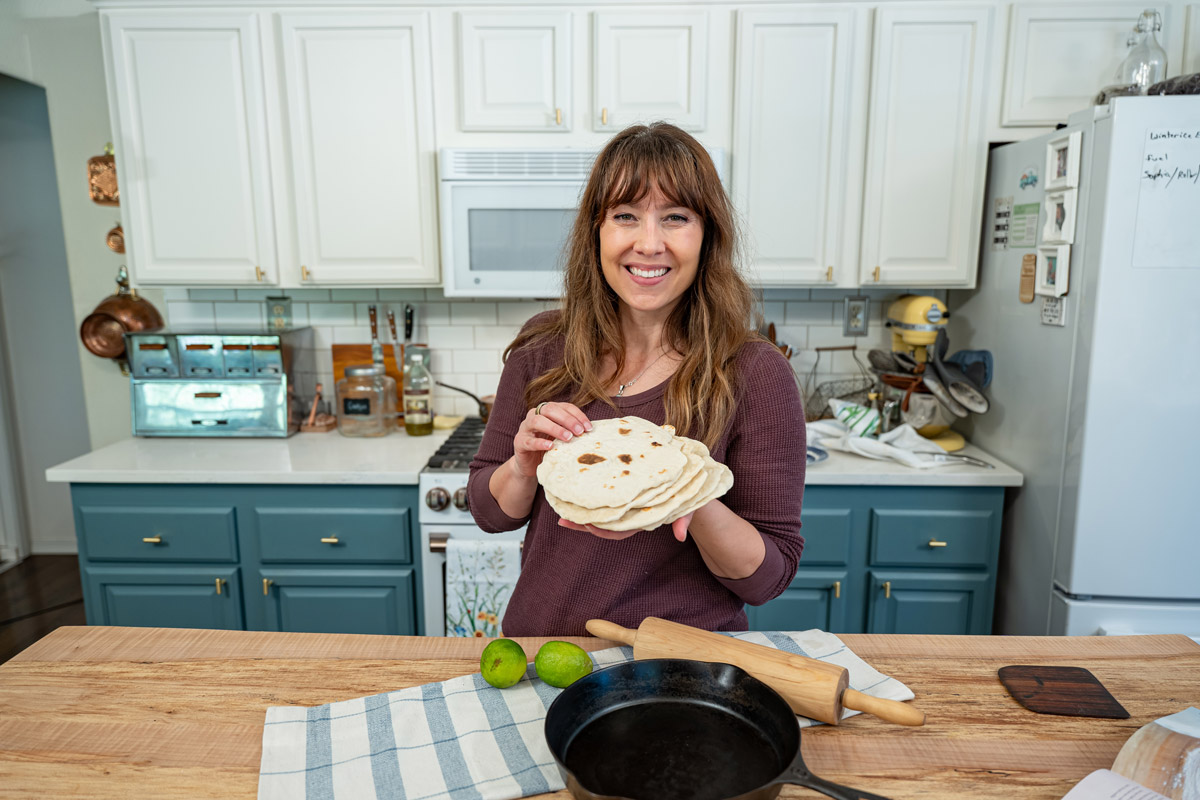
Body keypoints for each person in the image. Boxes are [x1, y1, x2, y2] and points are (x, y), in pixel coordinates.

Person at [466, 122, 806, 637]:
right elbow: (491, 514)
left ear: (706, 234)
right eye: (626, 216)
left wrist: (682, 488)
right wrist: (522, 465)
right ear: (596, 231)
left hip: (681, 666)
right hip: (542, 651)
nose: (649, 244)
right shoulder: (542, 348)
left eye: (675, 218)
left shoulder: (754, 373)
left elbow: (765, 579)